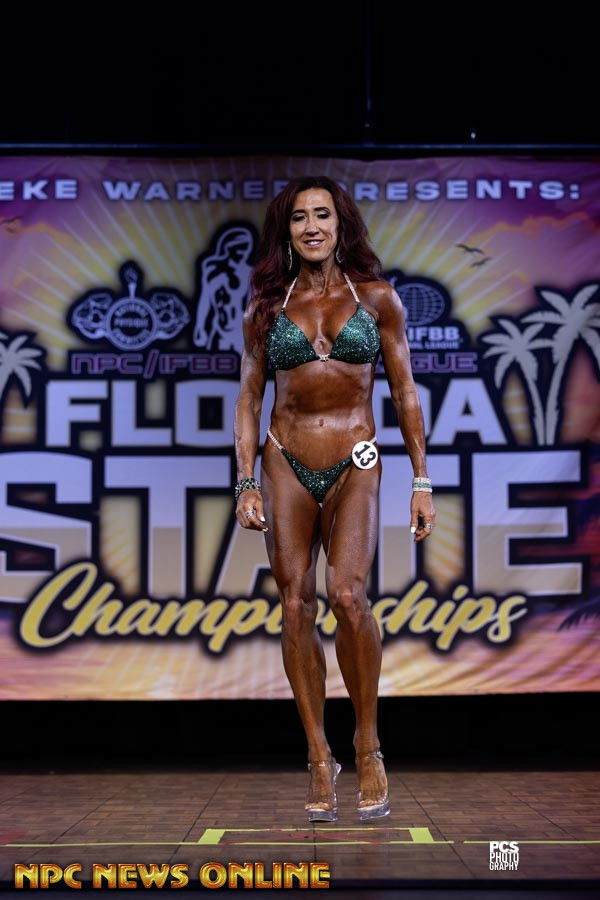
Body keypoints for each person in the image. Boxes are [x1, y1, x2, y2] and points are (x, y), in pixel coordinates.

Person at [233, 175, 435, 823]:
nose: (312, 226)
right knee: (295, 605)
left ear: (340, 223)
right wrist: (244, 479)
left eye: (322, 214)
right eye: (299, 217)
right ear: (287, 232)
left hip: (357, 457)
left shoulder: (377, 298)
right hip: (284, 459)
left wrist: (422, 481)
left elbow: (404, 391)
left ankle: (367, 743)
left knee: (348, 597)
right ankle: (320, 756)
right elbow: (249, 397)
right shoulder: (266, 308)